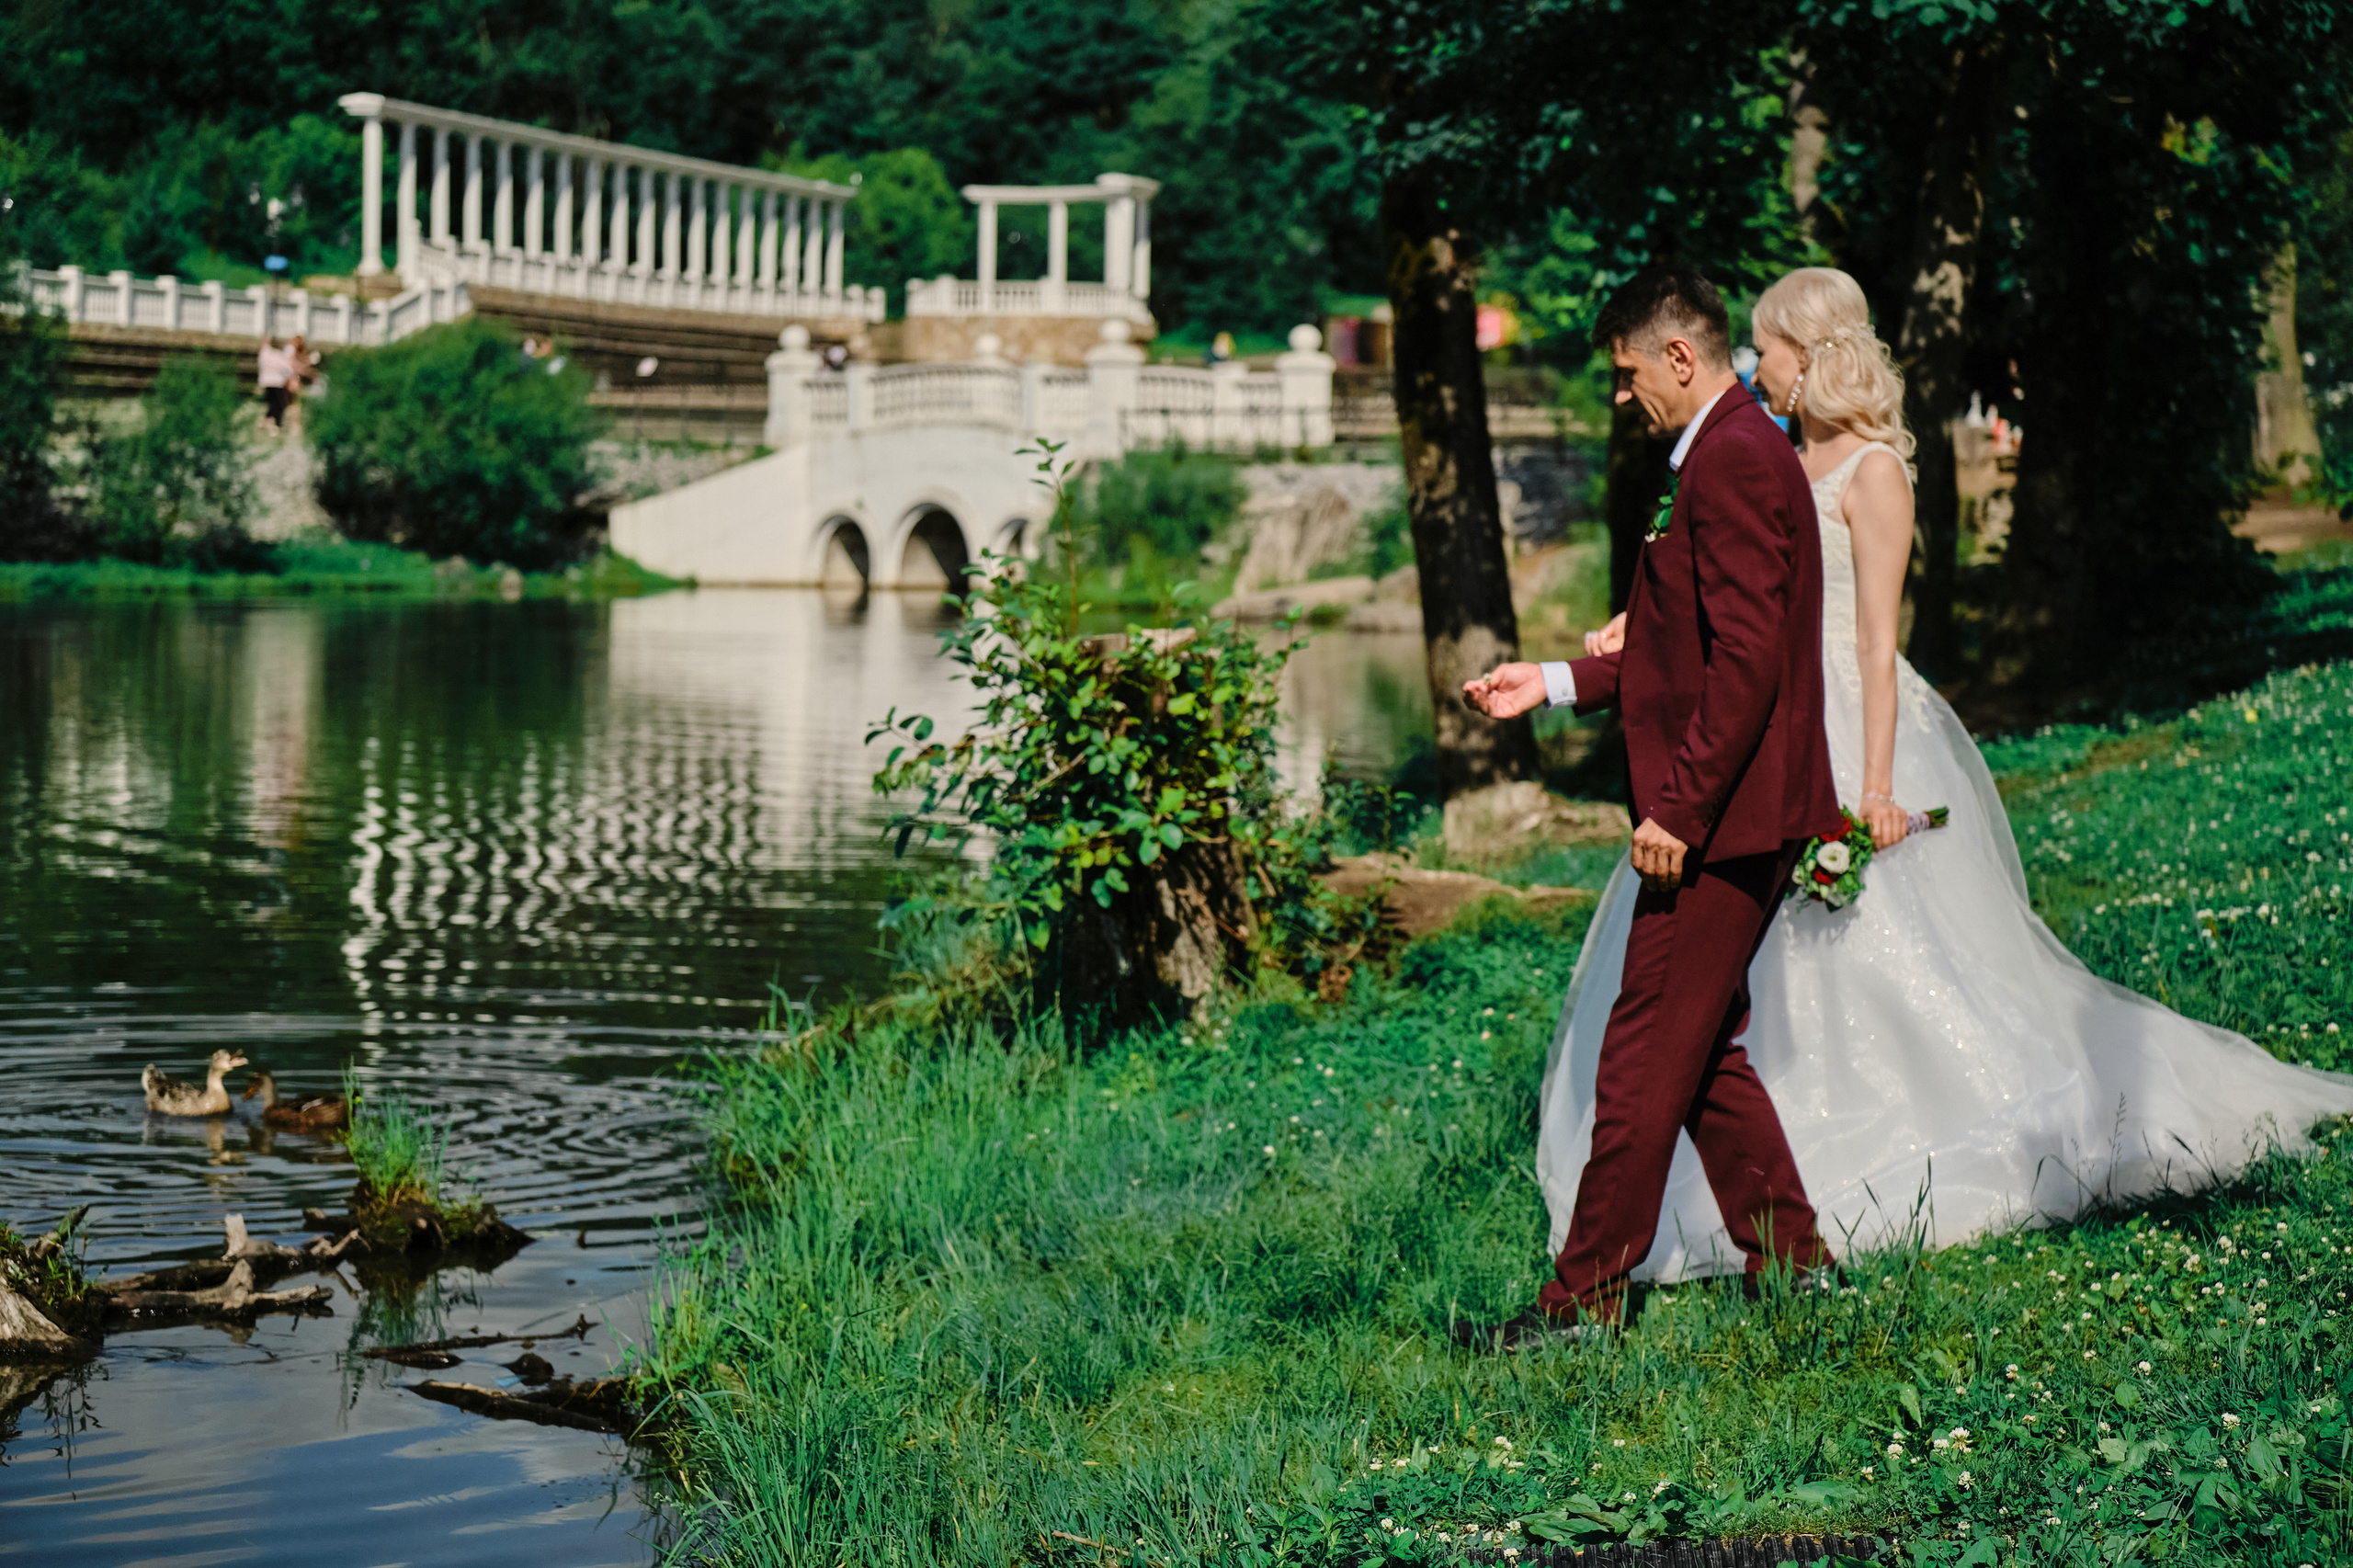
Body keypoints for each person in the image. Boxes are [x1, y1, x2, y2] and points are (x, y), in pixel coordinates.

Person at [1530, 266, 2353, 1292]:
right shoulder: (1764, 452)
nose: (1760, 362)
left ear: (1809, 350)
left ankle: (1608, 1289)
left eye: (1771, 346)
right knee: (1708, 1033)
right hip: (1763, 740)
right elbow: (1732, 603)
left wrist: (1871, 783)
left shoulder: (1842, 466)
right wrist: (1625, 640)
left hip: (1796, 737)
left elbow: (1871, 641)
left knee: (1719, 1016)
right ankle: (1784, 1258)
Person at [1458, 264, 1847, 1343]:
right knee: (1703, 1044)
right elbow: (1680, 653)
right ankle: (1795, 1265)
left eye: (1627, 375)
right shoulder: (1719, 451)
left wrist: (1675, 810)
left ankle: (1580, 1302)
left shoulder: (1728, 459)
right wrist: (1555, 678)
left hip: (1723, 819)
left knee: (1638, 1055)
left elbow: (1747, 667)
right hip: (1740, 810)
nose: (1620, 397)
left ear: (1679, 354)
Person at [256, 337, 293, 433]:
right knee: (279, 404)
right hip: (277, 383)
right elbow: (287, 369)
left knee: (270, 403)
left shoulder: (265, 354)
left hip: (266, 382)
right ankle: (275, 423)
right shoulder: (279, 355)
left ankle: (267, 421)